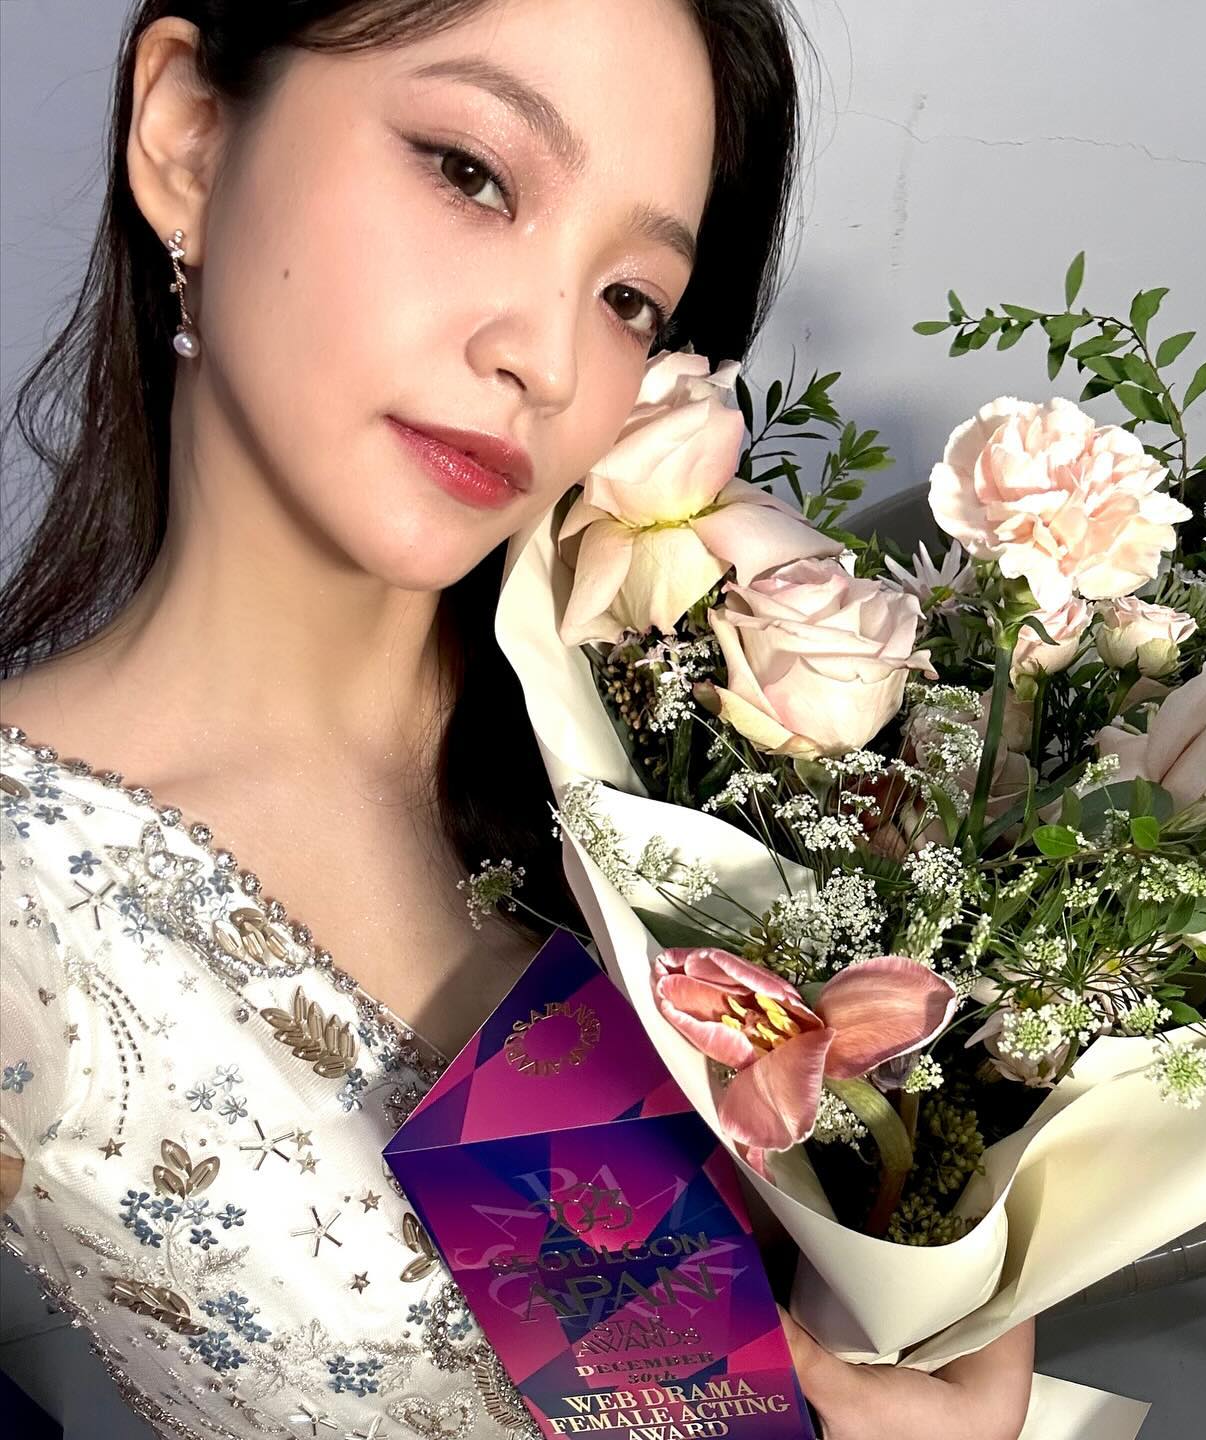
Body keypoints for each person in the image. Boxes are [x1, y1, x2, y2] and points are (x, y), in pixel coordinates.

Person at [0, 2, 1034, 1436]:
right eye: (471, 173)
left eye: (629, 298)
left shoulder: (707, 713)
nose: (549, 358)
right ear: (188, 134)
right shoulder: (28, 907)